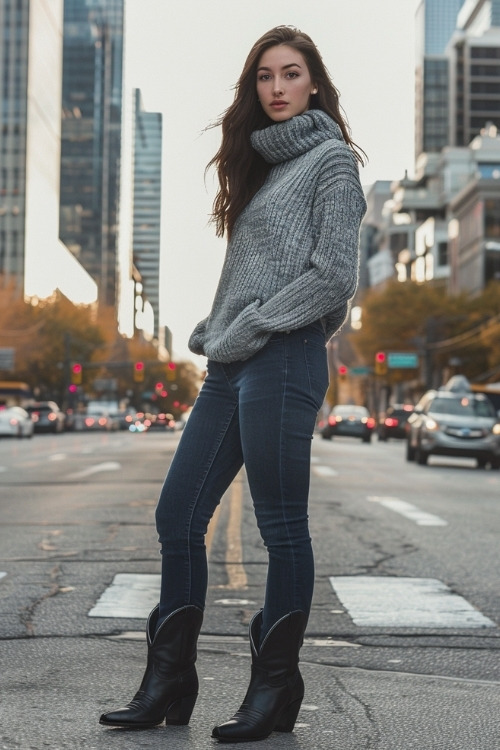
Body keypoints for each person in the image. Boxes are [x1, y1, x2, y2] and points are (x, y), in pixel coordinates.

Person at [100, 24, 366, 743]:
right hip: (230, 366)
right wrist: (215, 330)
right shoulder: (261, 169)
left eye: (290, 74)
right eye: (264, 77)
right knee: (177, 515)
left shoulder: (333, 162)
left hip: (284, 360)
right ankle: (168, 680)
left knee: (280, 529)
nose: (276, 87)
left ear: (314, 83)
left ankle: (275, 687)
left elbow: (333, 277)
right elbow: (249, 277)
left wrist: (248, 327)